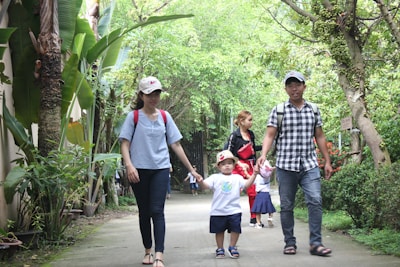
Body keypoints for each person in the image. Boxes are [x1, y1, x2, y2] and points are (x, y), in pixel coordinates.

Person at [119, 76, 202, 267]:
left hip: (161, 169)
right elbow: (125, 144)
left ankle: (159, 254)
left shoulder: (165, 117)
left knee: (157, 210)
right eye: (149, 94)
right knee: (144, 212)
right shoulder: (134, 117)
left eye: (156, 93)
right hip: (138, 170)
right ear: (141, 95)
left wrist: (191, 170)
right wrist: (129, 165)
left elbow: (176, 144)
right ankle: (147, 250)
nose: (153, 98)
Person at [257, 70, 333, 256]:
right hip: (285, 165)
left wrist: (327, 161)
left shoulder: (313, 110)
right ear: (286, 89)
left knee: (315, 200)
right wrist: (264, 154)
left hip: (309, 165)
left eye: (297, 84)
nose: (294, 88)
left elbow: (320, 136)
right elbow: (269, 135)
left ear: (304, 86)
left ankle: (316, 243)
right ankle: (289, 242)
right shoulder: (279, 110)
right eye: (290, 85)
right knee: (287, 205)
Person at [196, 150, 259, 259]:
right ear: (219, 166)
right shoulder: (215, 177)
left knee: (236, 230)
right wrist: (200, 181)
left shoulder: (237, 178)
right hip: (218, 211)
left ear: (234, 165)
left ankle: (232, 246)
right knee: (219, 231)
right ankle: (220, 248)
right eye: (223, 164)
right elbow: (205, 186)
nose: (227, 166)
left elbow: (247, 185)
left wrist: (254, 174)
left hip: (234, 210)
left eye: (229, 163)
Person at [225, 110, 260, 227]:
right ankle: (230, 217)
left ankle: (254, 217)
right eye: (249, 120)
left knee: (253, 192)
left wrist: (267, 145)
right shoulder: (234, 136)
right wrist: (239, 163)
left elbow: (254, 149)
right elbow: (227, 152)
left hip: (250, 165)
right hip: (237, 166)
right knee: (233, 191)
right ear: (241, 121)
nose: (251, 122)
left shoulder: (251, 134)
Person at [251, 159, 276, 229]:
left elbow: (251, 182)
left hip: (259, 194)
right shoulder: (267, 177)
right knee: (269, 207)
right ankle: (270, 217)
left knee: (258, 210)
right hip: (267, 193)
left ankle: (258, 223)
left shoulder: (257, 177)